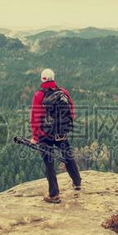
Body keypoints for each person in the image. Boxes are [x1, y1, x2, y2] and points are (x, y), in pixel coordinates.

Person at [30, 68, 82, 203]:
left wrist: (36, 137)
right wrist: (64, 129)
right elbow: (70, 112)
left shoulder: (39, 95)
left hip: (44, 134)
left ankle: (54, 194)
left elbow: (35, 117)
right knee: (68, 156)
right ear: (54, 78)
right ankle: (77, 182)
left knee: (49, 163)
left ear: (42, 79)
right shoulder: (63, 92)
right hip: (61, 133)